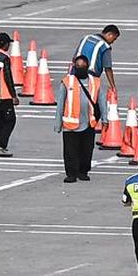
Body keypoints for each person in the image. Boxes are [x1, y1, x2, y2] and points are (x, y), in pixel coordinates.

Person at [54, 55, 106, 183]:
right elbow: (60, 103)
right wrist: (58, 123)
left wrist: (105, 119)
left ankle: (83, 171)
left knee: (86, 150)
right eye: (77, 66)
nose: (80, 68)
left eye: (82, 66)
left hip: (89, 122)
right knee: (70, 151)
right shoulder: (67, 82)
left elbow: (102, 101)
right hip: (70, 124)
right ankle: (71, 173)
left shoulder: (95, 82)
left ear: (87, 67)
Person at [74, 25, 120, 94]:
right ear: (110, 34)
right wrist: (113, 86)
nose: (112, 42)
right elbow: (108, 69)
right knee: (91, 98)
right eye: (114, 39)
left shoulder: (86, 38)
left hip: (75, 73)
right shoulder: (104, 46)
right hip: (91, 76)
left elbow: (75, 57)